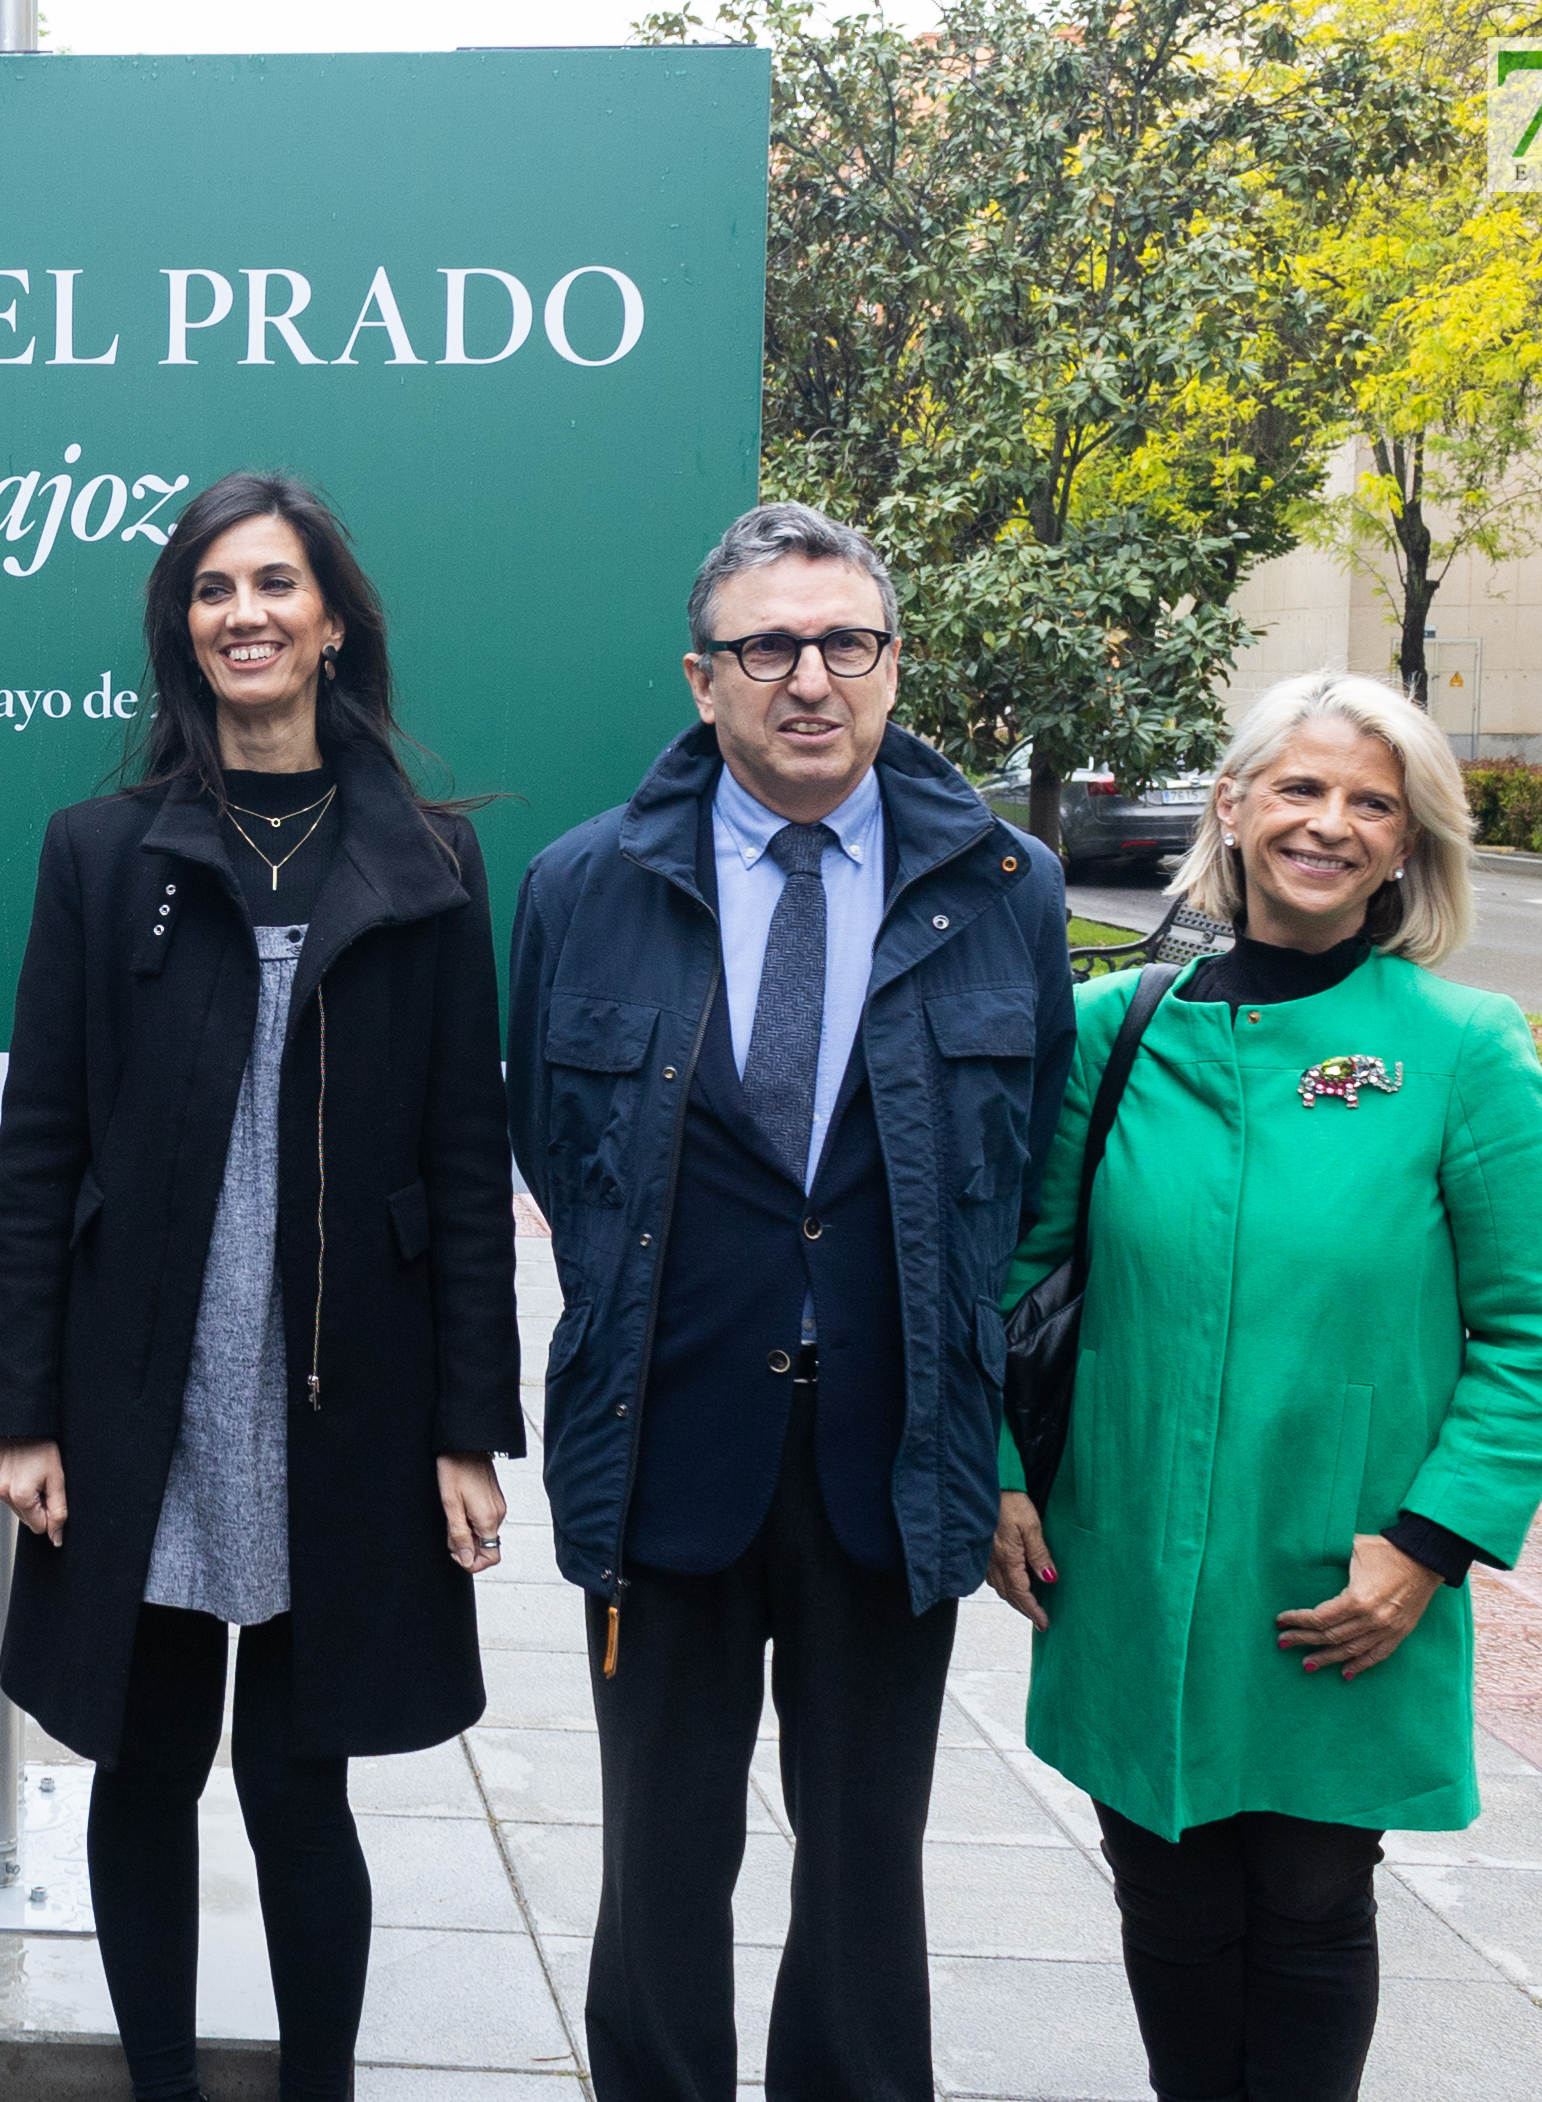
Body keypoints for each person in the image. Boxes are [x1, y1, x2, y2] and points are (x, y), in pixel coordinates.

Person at [505, 501, 1076, 2102]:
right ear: (705, 680)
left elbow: (1023, 1174)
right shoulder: (583, 885)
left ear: (894, 666)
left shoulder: (1004, 885)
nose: (808, 677)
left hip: (895, 1460)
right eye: (768, 645)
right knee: (660, 1867)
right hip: (668, 1443)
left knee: (865, 1877)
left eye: (846, 642)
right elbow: (563, 1158)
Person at [0, 471, 523, 2102]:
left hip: (342, 1391)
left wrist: (467, 1426)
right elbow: (43, 1134)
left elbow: (461, 1157)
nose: (247, 615)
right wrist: (22, 1414)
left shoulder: (430, 861)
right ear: (183, 629)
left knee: (303, 1785)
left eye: (276, 584)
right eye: (214, 591)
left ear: (333, 620)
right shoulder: (101, 852)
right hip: (141, 1386)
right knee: (144, 1775)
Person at [988, 672, 1542, 2102]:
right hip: (1125, 1556)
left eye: (1372, 801)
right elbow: (1016, 1275)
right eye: (1302, 788)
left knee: (1311, 1900)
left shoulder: (1463, 1051)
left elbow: (1532, 1331)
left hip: (1344, 1574)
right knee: (1167, 1894)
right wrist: (1002, 1474)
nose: (1330, 823)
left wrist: (1430, 1546)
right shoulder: (1115, 1030)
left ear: (1410, 843)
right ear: (1236, 806)